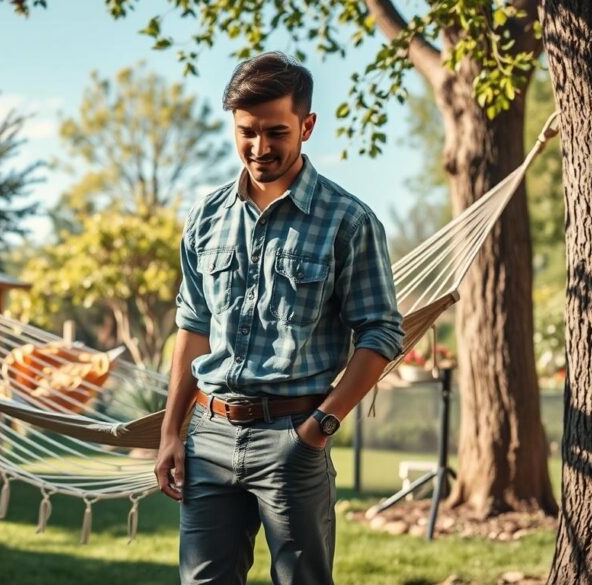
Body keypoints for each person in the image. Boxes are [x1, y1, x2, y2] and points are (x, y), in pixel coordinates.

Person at [154, 52, 405, 585]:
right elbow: (193, 325)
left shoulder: (349, 221)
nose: (260, 147)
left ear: (306, 126)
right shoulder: (206, 217)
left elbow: (381, 332)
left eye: (276, 131)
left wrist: (320, 427)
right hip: (209, 434)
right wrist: (170, 433)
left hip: (294, 437)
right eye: (247, 131)